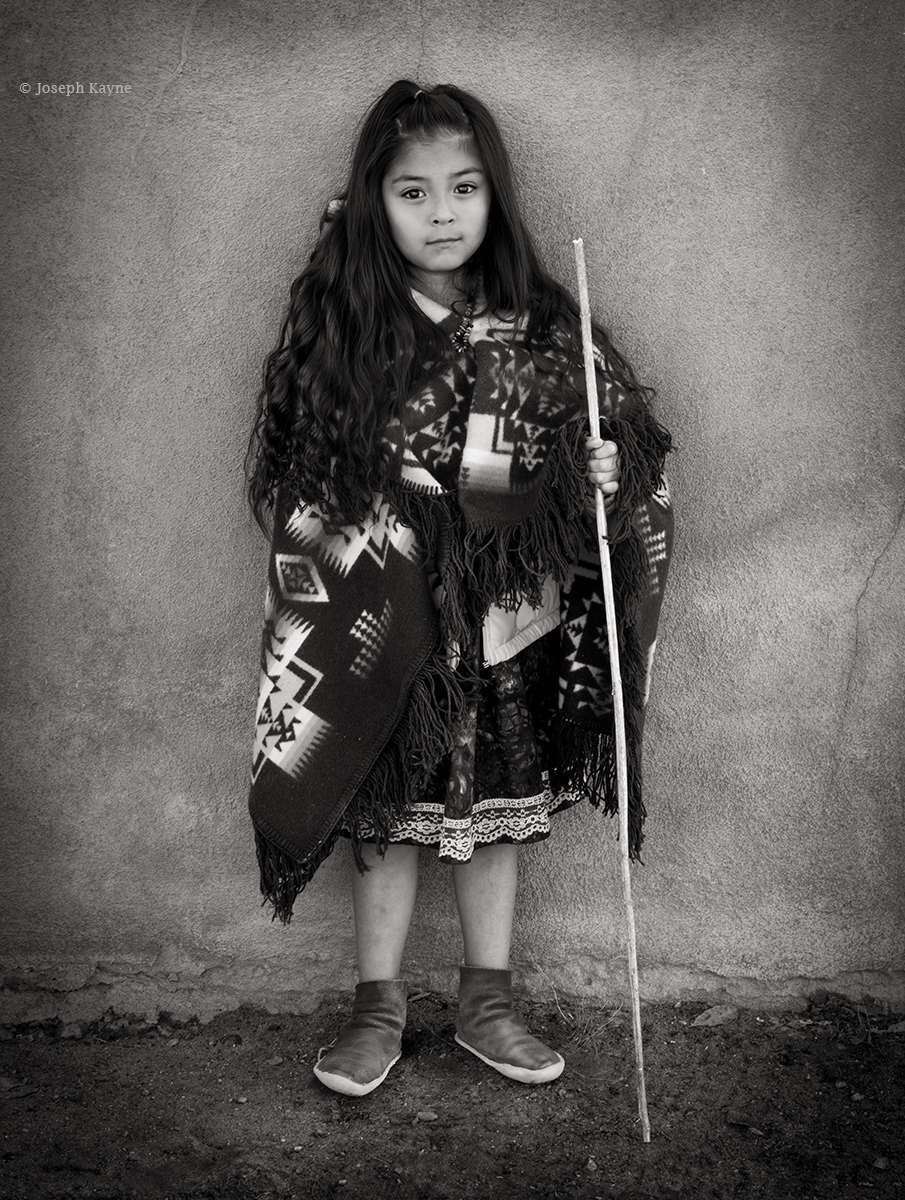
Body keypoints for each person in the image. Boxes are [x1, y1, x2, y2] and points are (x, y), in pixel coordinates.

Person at [245, 80, 673, 1098]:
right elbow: (311, 470)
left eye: (464, 188)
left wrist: (595, 474)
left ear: (494, 196)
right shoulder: (346, 328)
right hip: (383, 627)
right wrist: (404, 524)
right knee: (385, 817)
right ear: (373, 202)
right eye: (412, 193)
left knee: (496, 816)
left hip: (501, 629)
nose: (441, 214)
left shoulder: (536, 325)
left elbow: (601, 448)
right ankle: (375, 1005)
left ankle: (486, 1001)